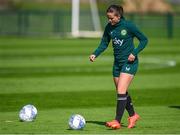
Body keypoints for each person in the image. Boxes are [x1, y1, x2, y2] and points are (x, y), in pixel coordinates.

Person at [89, 5, 148, 129]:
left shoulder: (128, 26)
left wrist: (134, 53)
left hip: (129, 63)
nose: (109, 21)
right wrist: (95, 53)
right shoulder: (109, 28)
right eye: (108, 18)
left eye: (111, 18)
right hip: (117, 64)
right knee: (122, 92)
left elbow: (144, 40)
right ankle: (133, 115)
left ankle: (117, 121)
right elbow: (104, 43)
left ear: (118, 16)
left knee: (121, 91)